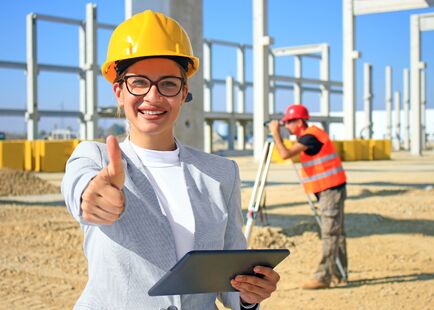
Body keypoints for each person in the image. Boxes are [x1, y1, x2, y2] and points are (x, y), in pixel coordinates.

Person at [62, 10, 280, 309]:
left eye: (168, 84)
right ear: (119, 92)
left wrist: (248, 294)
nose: (153, 96)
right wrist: (91, 198)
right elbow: (81, 190)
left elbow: (228, 283)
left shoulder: (220, 174)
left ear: (183, 92)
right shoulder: (94, 158)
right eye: (138, 83)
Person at [268, 104, 348, 290]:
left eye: (288, 123)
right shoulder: (310, 135)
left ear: (299, 121)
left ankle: (324, 276)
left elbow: (285, 154)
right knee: (337, 233)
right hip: (329, 190)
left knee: (330, 234)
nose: (286, 127)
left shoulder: (311, 136)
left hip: (331, 191)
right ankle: (339, 273)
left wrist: (275, 134)